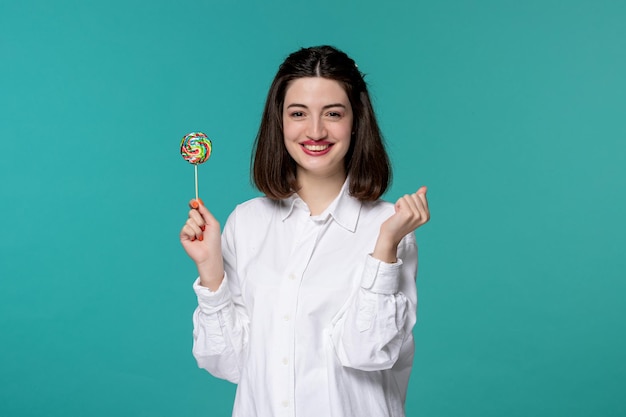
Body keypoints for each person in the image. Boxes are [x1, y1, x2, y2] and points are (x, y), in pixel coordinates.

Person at [180, 45, 430, 417]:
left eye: (333, 113)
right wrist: (211, 272)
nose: (315, 131)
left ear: (356, 121)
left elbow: (368, 353)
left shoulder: (390, 229)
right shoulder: (245, 223)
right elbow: (227, 364)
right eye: (298, 113)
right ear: (278, 121)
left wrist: (385, 248)